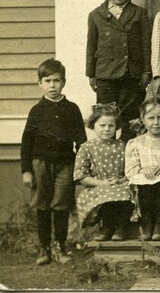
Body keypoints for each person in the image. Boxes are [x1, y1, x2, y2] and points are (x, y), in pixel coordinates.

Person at [21, 59, 86, 265]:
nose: (52, 85)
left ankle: (60, 245)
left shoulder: (72, 109)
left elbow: (81, 141)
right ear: (39, 83)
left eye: (56, 80)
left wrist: (81, 167)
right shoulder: (36, 111)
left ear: (63, 82)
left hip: (65, 165)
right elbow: (26, 142)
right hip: (40, 164)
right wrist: (26, 170)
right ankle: (44, 247)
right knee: (42, 205)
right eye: (47, 81)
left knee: (61, 205)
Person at [87, 0, 151, 133]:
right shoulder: (96, 15)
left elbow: (145, 44)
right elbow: (91, 46)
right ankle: (107, 148)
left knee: (130, 120)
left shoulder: (139, 13)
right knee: (106, 118)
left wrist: (146, 71)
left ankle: (128, 148)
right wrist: (91, 74)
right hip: (105, 75)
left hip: (131, 74)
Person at [74, 103, 133, 242]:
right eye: (102, 125)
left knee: (125, 191)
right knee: (108, 193)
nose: (107, 129)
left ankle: (121, 227)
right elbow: (81, 175)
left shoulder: (122, 146)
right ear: (93, 125)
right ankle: (107, 227)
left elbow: (130, 169)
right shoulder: (86, 148)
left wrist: (121, 180)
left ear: (116, 127)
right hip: (97, 185)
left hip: (120, 183)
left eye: (111, 126)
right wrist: (102, 183)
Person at [125, 98, 160, 242]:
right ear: (142, 119)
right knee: (144, 187)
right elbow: (130, 168)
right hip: (143, 179)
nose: (156, 122)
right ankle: (146, 223)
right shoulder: (135, 143)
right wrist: (142, 170)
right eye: (151, 118)